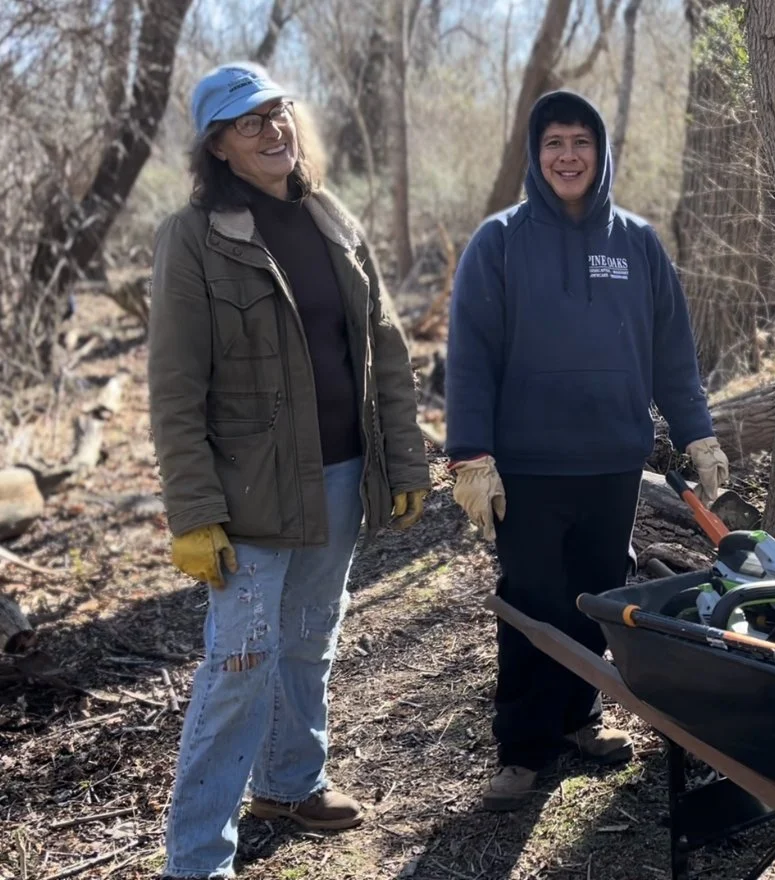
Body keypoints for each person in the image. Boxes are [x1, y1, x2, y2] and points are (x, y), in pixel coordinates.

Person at [146, 61, 430, 878]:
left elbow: (386, 351)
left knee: (310, 639)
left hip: (341, 474)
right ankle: (197, 858)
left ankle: (289, 783)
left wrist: (402, 458)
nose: (273, 130)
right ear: (219, 148)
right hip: (247, 498)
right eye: (248, 122)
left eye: (278, 113)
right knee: (238, 668)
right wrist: (193, 510)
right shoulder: (193, 239)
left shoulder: (333, 218)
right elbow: (173, 392)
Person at [444, 89, 729, 811]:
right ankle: (521, 750)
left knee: (597, 595)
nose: (567, 155)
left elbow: (672, 353)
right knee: (532, 601)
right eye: (553, 144)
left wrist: (698, 431)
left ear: (600, 153)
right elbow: (470, 357)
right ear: (536, 157)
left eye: (580, 142)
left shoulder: (635, 243)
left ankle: (580, 721)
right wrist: (470, 454)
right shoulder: (499, 243)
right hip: (529, 466)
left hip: (612, 463)